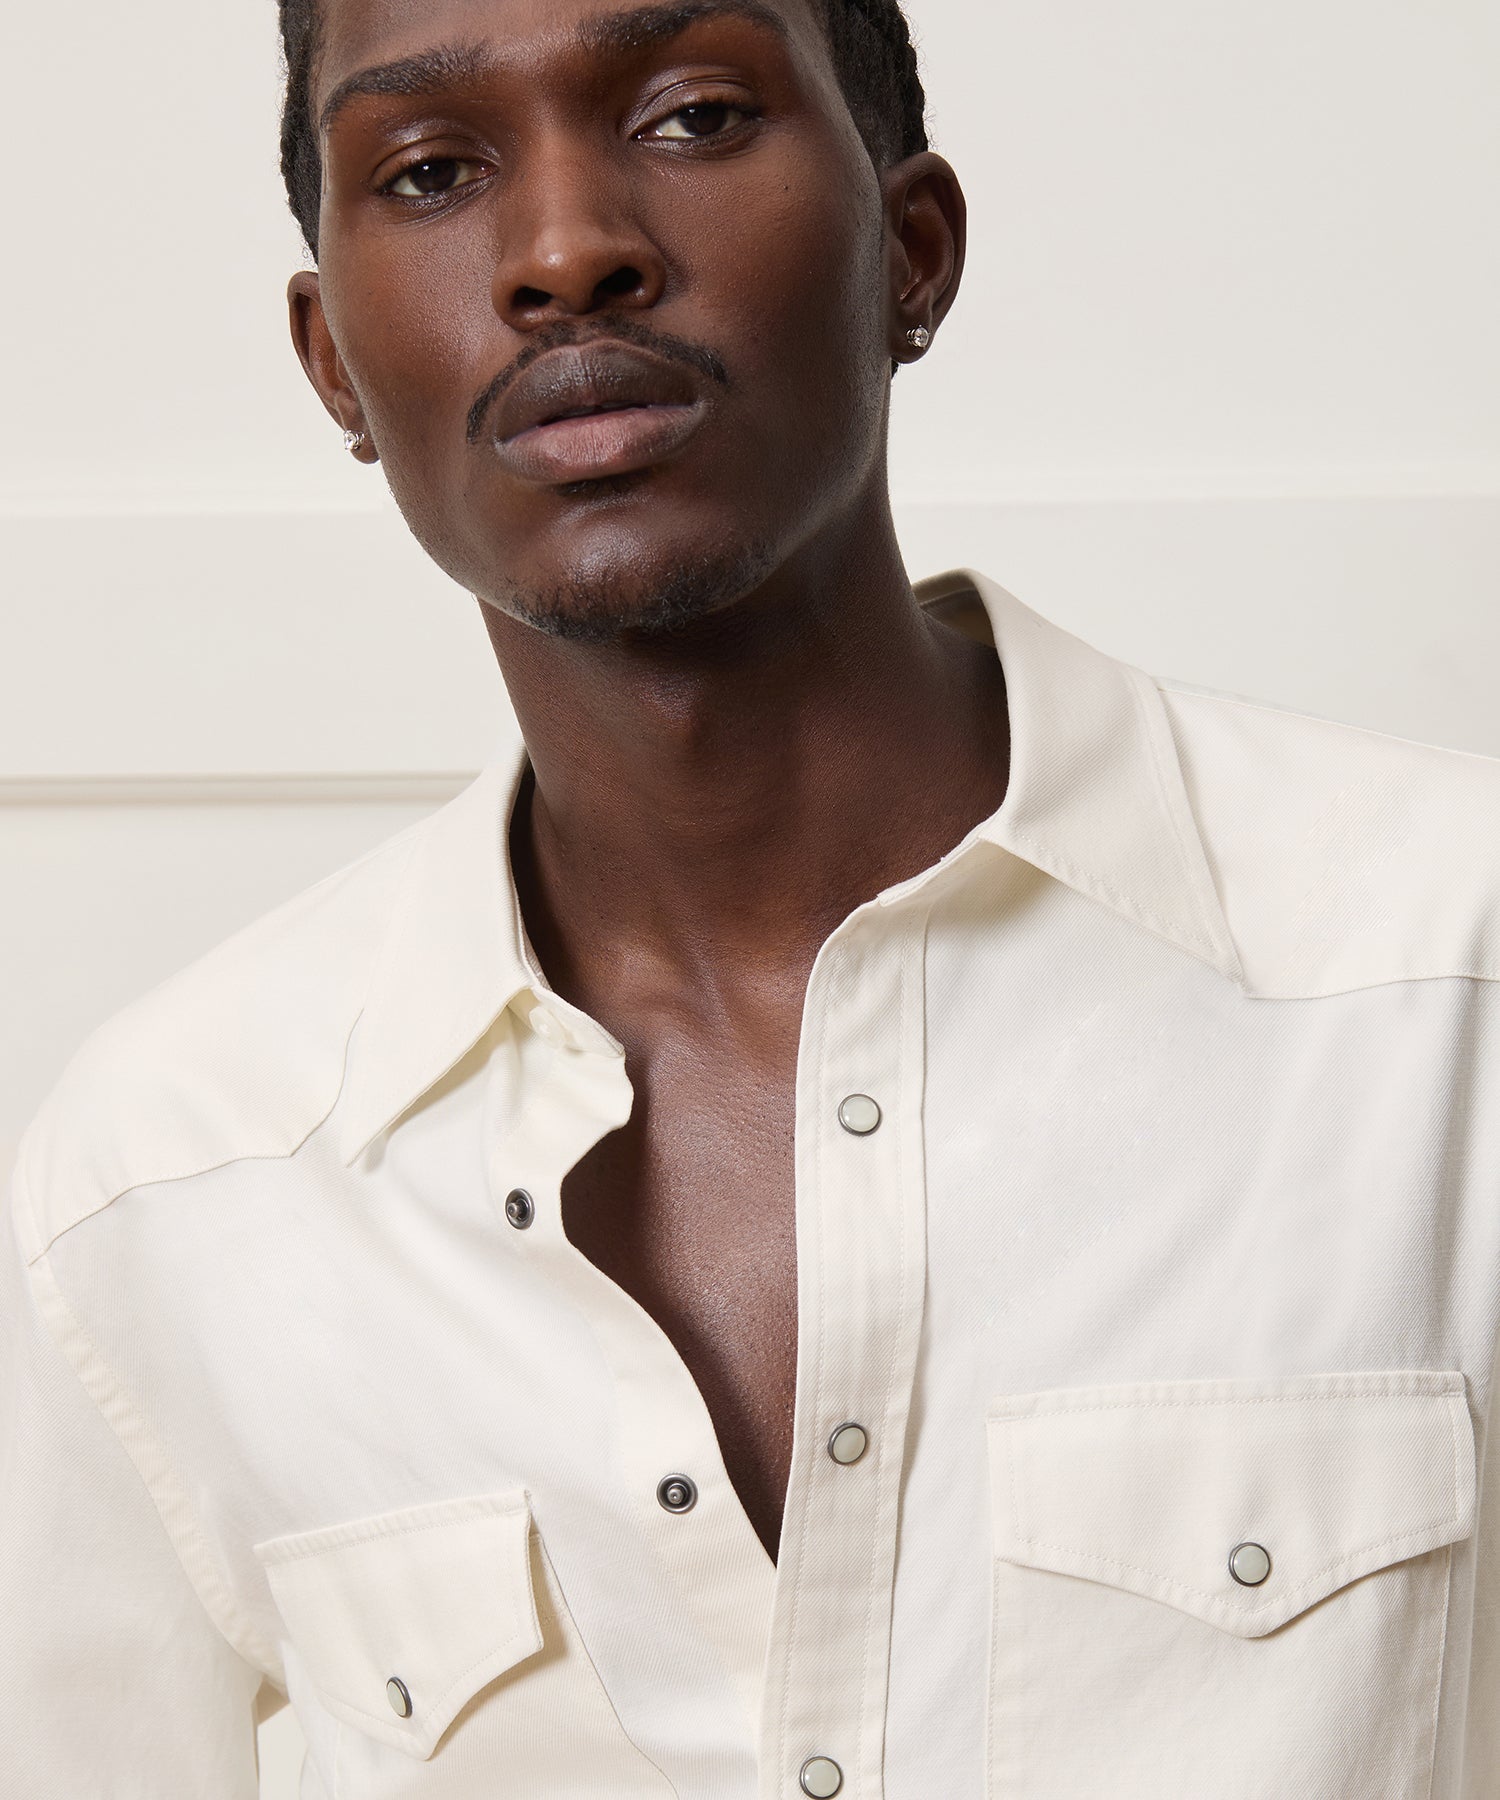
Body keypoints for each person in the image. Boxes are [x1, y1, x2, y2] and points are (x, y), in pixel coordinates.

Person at [4, 0, 1499, 1793]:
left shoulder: (1450, 975)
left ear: (912, 251)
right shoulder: (167, 1182)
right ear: (335, 366)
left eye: (697, 115)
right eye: (432, 170)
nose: (567, 252)